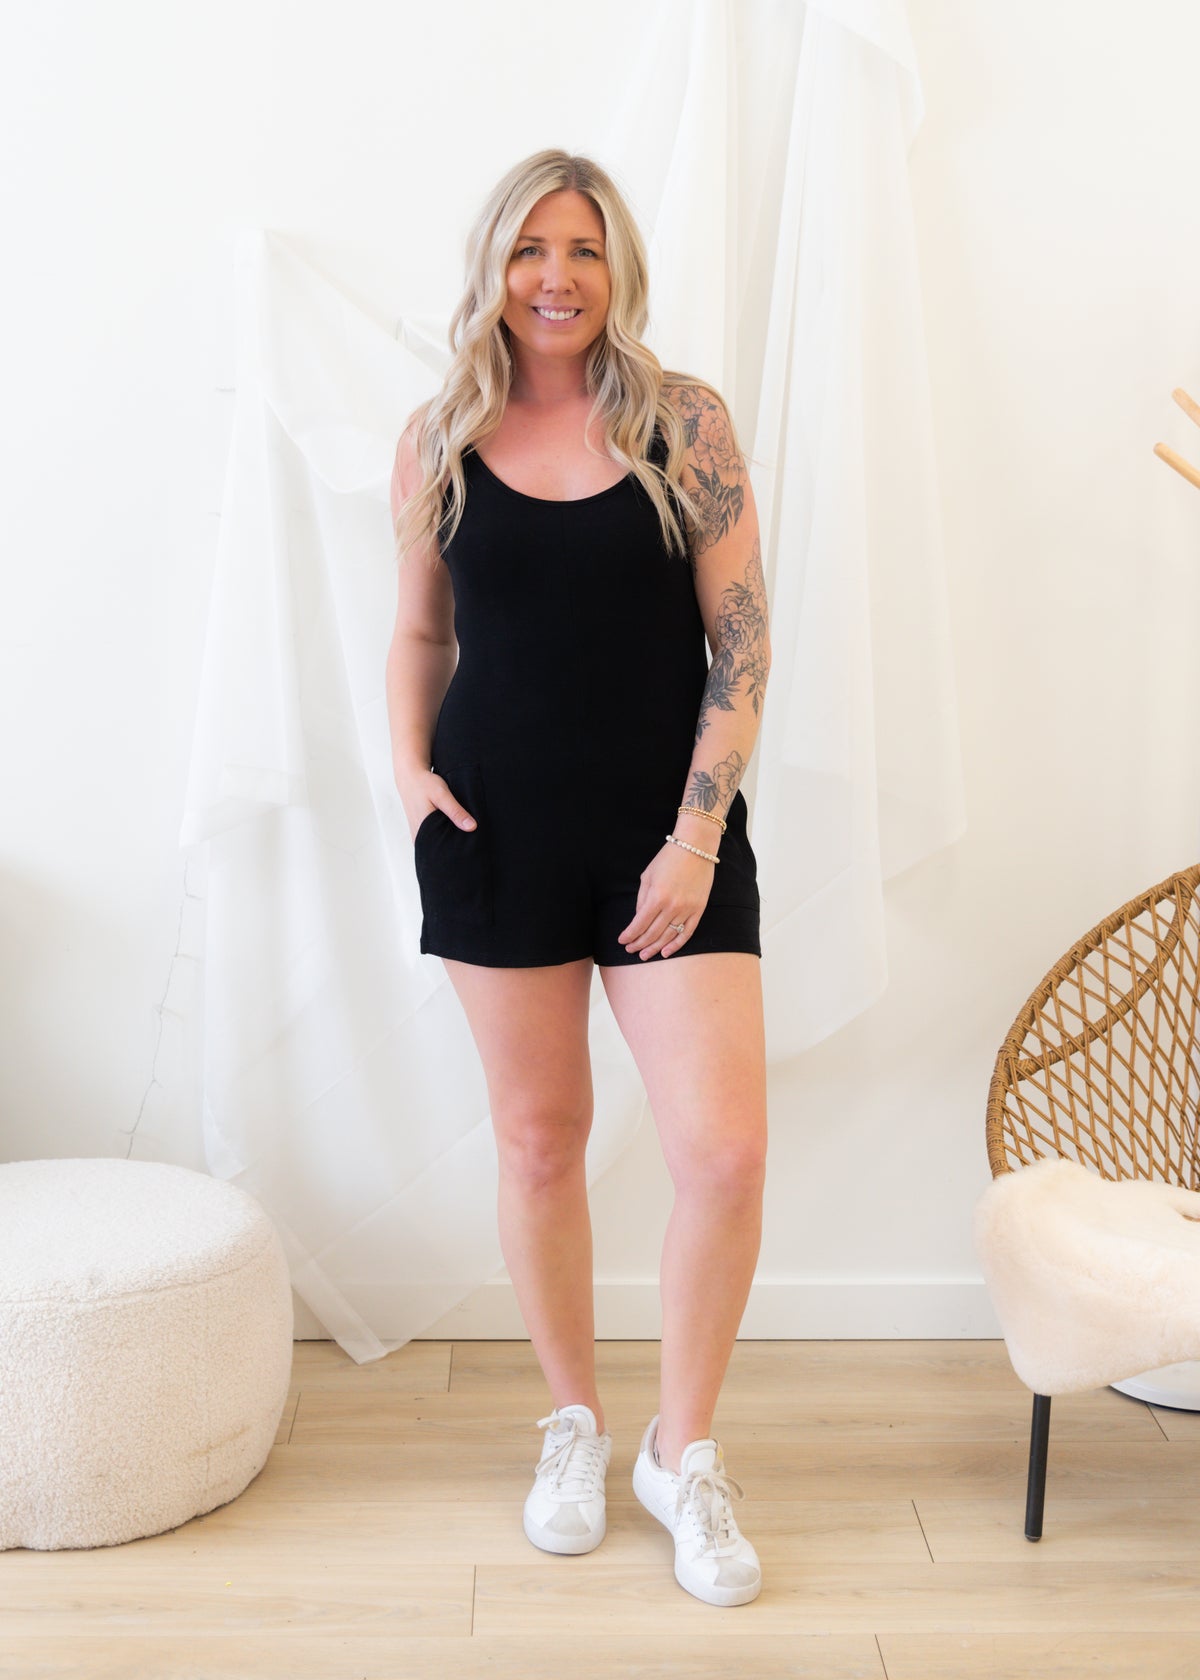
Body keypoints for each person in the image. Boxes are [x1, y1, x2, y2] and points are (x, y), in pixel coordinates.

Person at [385, 148, 771, 1610]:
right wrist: (410, 774)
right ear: (495, 267)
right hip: (495, 831)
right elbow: (421, 634)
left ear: (620, 271)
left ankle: (682, 1452)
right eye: (531, 249)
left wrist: (696, 838)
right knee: (541, 1145)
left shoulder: (685, 422)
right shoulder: (439, 437)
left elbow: (743, 646)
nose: (557, 277)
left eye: (585, 250)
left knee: (722, 1154)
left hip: (672, 836)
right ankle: (575, 1426)